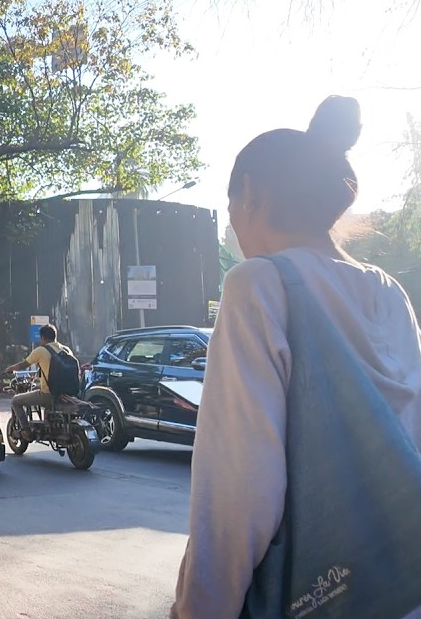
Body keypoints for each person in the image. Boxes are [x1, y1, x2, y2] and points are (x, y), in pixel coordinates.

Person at [172, 97, 421, 618]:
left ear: (254, 196)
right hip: (402, 582)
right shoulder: (389, 291)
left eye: (232, 202)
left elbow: (238, 492)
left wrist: (198, 610)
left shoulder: (258, 285)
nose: (234, 222)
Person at [3, 324, 74, 440]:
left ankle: (26, 431)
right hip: (69, 393)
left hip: (49, 395)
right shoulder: (66, 350)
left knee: (16, 401)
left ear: (42, 337)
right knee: (37, 390)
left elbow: (23, 365)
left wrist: (10, 369)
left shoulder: (41, 350)